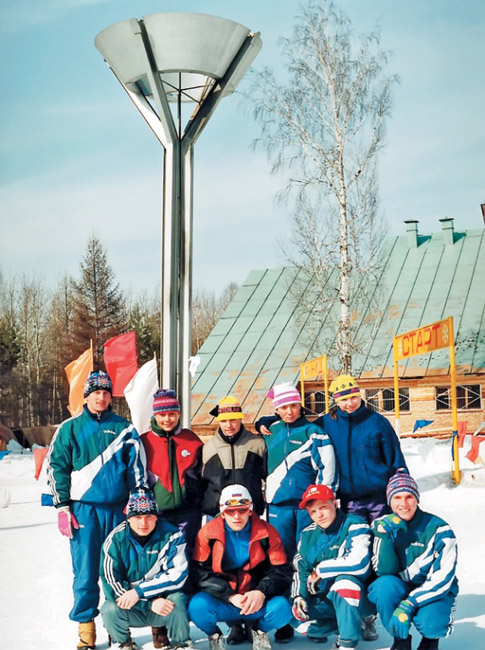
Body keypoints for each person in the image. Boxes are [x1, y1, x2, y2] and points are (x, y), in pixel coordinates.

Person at [46, 370, 148, 650]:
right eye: (95, 393)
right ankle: (86, 630)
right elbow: (57, 467)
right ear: (86, 396)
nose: (100, 397)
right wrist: (63, 506)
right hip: (84, 512)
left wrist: (137, 505)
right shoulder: (69, 428)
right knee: (86, 571)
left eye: (105, 393)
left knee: (119, 570)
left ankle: (119, 629)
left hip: (118, 510)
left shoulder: (124, 428)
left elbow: (137, 469)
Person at [312, 374, 409, 643]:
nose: (350, 403)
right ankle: (348, 611)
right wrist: (268, 423)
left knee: (381, 555)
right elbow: (298, 429)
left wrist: (402, 497)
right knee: (354, 555)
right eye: (343, 400)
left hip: (378, 499)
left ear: (360, 395)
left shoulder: (377, 423)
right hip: (349, 500)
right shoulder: (328, 423)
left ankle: (372, 615)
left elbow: (396, 460)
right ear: (334, 401)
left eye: (353, 397)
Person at [259, 382, 338, 644]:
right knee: (281, 563)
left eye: (293, 405)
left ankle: (317, 620)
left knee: (311, 560)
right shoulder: (271, 432)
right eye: (283, 407)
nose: (289, 411)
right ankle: (285, 621)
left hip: (307, 509)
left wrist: (323, 505)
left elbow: (328, 471)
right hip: (279, 509)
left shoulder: (314, 433)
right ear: (277, 409)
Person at [189, 485, 293, 650]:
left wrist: (261, 591)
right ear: (222, 511)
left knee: (284, 608)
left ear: (250, 510)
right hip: (226, 600)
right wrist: (229, 596)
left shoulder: (267, 532)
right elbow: (200, 573)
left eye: (242, 510)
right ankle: (215, 635)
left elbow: (281, 571)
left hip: (256, 599)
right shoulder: (207, 533)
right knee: (197, 606)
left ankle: (259, 630)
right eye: (230, 511)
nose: (237, 516)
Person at [201, 398, 268, 645]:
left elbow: (266, 476)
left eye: (234, 419)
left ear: (241, 419)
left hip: (250, 517)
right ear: (217, 421)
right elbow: (201, 483)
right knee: (225, 569)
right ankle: (235, 625)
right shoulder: (207, 447)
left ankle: (253, 621)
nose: (229, 425)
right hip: (219, 519)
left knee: (252, 567)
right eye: (224, 420)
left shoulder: (257, 443)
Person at [141, 388, 203, 650]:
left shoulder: (191, 439)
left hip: (188, 512)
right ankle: (159, 627)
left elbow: (203, 474)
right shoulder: (143, 441)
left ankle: (180, 621)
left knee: (185, 564)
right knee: (157, 566)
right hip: (158, 514)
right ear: (155, 414)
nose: (168, 419)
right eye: (163, 414)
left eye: (173, 413)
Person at [368, 470, 458, 650]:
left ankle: (430, 641)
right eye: (397, 497)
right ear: (389, 501)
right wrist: (383, 538)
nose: (403, 503)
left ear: (417, 498)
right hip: (401, 587)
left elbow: (442, 579)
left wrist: (409, 604)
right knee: (383, 587)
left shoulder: (440, 530)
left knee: (431, 624)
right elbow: (384, 572)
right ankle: (401, 640)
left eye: (409, 496)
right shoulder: (383, 525)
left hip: (435, 591)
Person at [100, 487, 193, 650]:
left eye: (149, 516)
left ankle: (182, 643)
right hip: (134, 608)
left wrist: (140, 592)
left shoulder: (172, 536)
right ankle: (122, 643)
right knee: (109, 609)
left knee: (178, 599)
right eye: (137, 517)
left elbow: (177, 575)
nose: (143, 523)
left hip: (162, 606)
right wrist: (148, 603)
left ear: (156, 517)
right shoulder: (115, 540)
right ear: (128, 518)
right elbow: (112, 584)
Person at [291, 484, 373, 650]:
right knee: (286, 608)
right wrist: (300, 597)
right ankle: (342, 625)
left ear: (334, 504)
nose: (319, 515)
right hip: (324, 598)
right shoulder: (307, 534)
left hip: (359, 598)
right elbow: (301, 569)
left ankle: (347, 643)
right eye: (313, 511)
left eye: (323, 507)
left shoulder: (355, 524)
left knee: (345, 583)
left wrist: (321, 570)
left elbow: (359, 563)